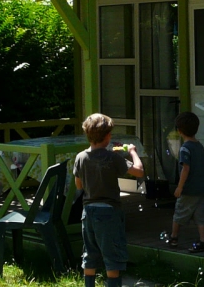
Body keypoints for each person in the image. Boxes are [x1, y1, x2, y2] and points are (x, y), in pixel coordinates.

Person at [73, 113, 144, 287]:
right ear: (107, 136)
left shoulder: (80, 157)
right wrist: (133, 152)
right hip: (109, 213)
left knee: (90, 254)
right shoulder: (113, 158)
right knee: (112, 256)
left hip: (88, 213)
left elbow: (78, 185)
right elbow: (139, 171)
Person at [166, 112, 204, 253]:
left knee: (179, 214)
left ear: (179, 131)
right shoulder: (199, 146)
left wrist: (180, 187)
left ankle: (173, 237)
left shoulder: (185, 148)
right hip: (201, 188)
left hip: (189, 189)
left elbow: (185, 168)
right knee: (200, 216)